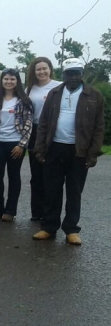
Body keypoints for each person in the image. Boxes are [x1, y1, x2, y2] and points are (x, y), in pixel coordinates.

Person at [32, 58, 105, 245]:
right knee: (52, 190)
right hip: (55, 148)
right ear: (63, 74)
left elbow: (98, 128)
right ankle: (48, 227)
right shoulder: (54, 93)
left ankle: (71, 229)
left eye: (77, 73)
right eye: (69, 73)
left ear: (82, 73)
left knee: (74, 191)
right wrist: (40, 148)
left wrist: (93, 153)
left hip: (79, 151)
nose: (73, 77)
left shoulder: (94, 95)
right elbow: (44, 123)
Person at [0, 68, 33, 222]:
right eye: (6, 79)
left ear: (17, 81)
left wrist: (21, 145)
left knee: (13, 176)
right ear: (1, 81)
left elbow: (29, 124)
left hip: (15, 144)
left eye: (12, 79)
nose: (9, 82)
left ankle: (10, 211)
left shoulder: (24, 101)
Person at [25, 57, 60, 221]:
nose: (41, 72)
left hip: (53, 132)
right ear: (34, 72)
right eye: (38, 69)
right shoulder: (29, 89)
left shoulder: (59, 86)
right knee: (36, 174)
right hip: (35, 131)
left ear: (50, 69)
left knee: (50, 174)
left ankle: (49, 213)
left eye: (44, 68)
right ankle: (36, 212)